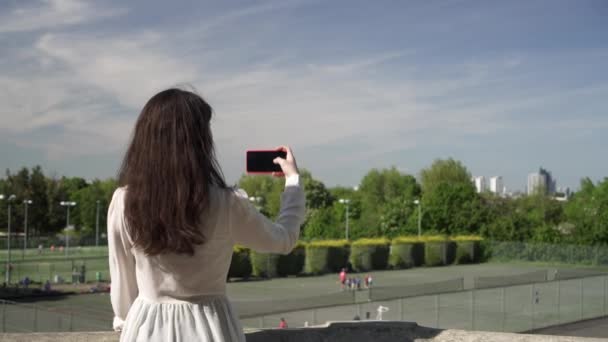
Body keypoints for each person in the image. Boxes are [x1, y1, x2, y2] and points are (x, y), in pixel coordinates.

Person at [108, 88, 305, 342]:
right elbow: (284, 239)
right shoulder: (228, 204)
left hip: (146, 330)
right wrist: (293, 182)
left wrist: (126, 322)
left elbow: (123, 287)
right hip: (212, 328)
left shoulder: (124, 202)